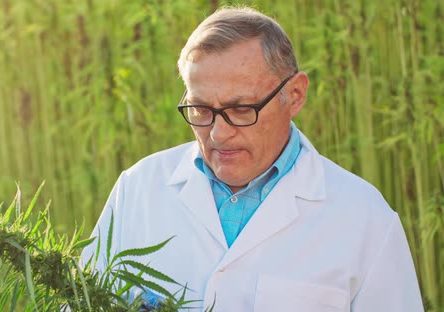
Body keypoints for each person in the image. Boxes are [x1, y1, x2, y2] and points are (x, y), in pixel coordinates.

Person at [82, 6, 424, 311]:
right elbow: (79, 302)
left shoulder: (364, 219)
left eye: (241, 109)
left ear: (295, 95)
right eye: (200, 109)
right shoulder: (138, 189)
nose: (217, 134)